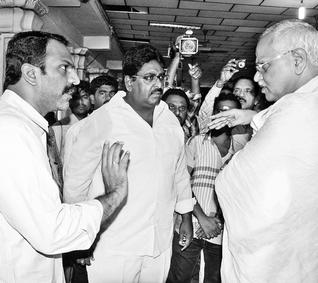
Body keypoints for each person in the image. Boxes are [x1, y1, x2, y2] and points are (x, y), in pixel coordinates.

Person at [0, 30, 129, 283]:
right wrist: (114, 194)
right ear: (30, 74)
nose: (76, 79)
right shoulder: (10, 130)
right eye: (64, 68)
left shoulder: (25, 126)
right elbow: (52, 231)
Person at [63, 44, 193, 283]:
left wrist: (185, 216)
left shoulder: (169, 121)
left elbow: (179, 172)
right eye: (149, 77)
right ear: (130, 82)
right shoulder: (104, 120)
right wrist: (79, 237)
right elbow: (75, 183)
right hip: (115, 243)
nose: (158, 84)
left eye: (160, 77)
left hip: (159, 240)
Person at [208, 19, 318, 283]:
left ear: (298, 60)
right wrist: (253, 116)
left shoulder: (295, 109)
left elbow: (238, 187)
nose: (257, 78)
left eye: (264, 66)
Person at [167, 93, 241, 283]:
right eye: (219, 111)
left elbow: (239, 194)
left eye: (229, 112)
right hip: (189, 226)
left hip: (222, 233)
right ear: (213, 113)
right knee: (180, 278)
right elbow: (181, 182)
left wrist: (216, 221)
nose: (223, 116)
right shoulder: (196, 142)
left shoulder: (241, 151)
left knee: (213, 279)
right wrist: (202, 218)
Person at [51, 80, 91, 156]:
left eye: (85, 97)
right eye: (76, 98)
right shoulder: (59, 127)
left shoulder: (97, 123)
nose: (81, 102)